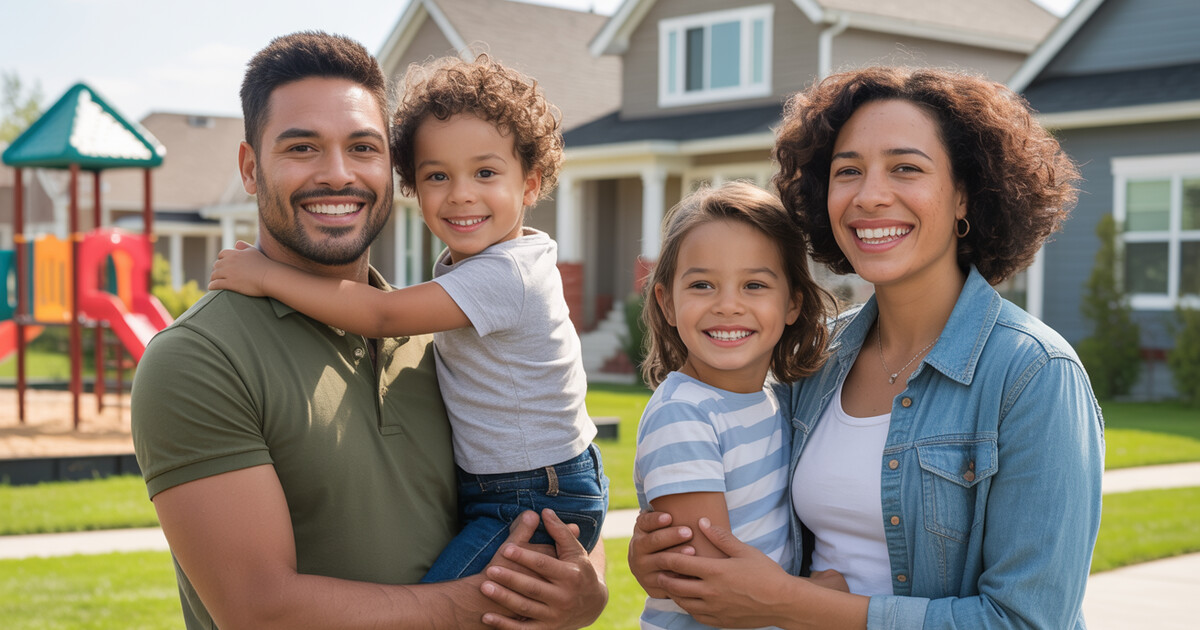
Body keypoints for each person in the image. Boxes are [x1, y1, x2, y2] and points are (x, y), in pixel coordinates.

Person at [132, 32, 606, 629]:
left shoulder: (439, 329)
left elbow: (557, 491)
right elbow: (259, 612)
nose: (337, 174)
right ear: (251, 170)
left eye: (363, 147)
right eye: (302, 147)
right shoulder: (199, 361)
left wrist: (590, 593)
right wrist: (492, 602)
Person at [629, 66, 1104, 629]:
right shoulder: (813, 357)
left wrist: (788, 601)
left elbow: (1028, 621)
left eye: (906, 168)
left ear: (964, 196)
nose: (871, 195)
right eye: (848, 171)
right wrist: (666, 560)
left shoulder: (1033, 374)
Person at [632, 182, 843, 629]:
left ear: (792, 303)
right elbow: (708, 584)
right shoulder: (683, 414)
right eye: (702, 284)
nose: (728, 306)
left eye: (754, 285)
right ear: (668, 302)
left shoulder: (776, 398)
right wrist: (822, 598)